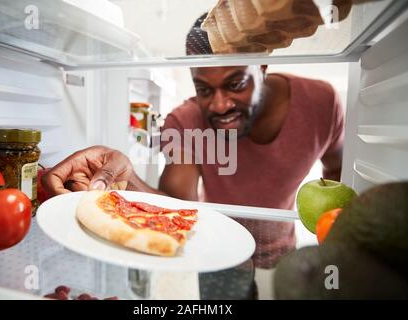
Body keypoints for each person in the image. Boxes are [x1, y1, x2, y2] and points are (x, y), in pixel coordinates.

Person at [42, 12, 344, 270]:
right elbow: (174, 208)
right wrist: (124, 172)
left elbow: (337, 174)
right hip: (213, 254)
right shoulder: (184, 122)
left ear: (262, 68)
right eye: (204, 89)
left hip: (282, 260)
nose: (219, 105)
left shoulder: (320, 102)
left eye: (235, 84)